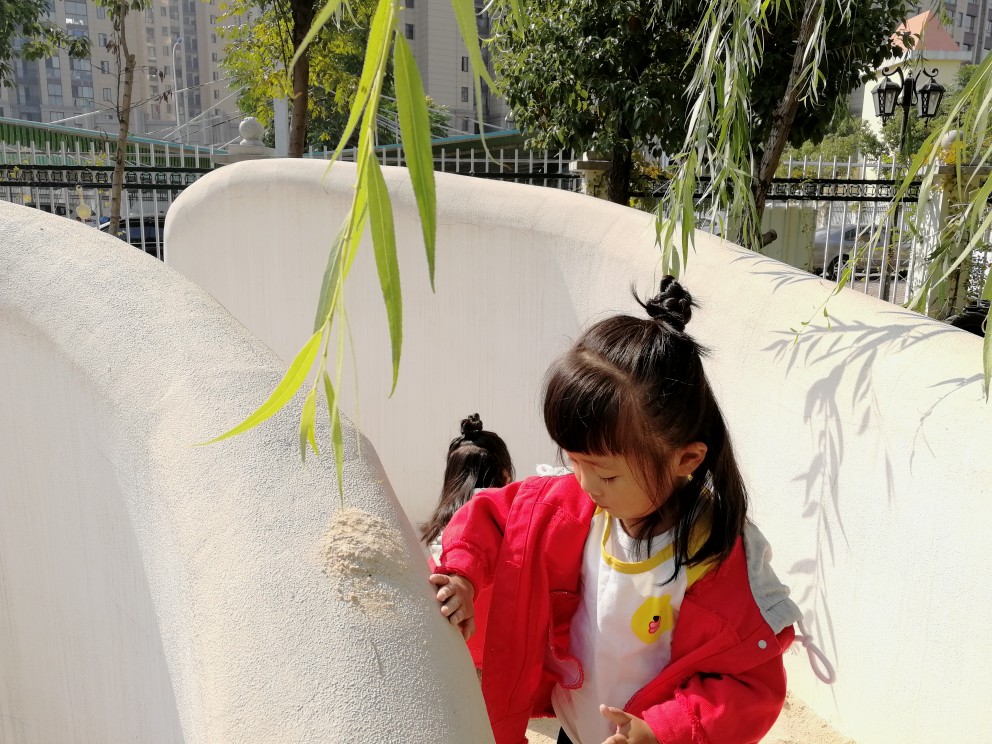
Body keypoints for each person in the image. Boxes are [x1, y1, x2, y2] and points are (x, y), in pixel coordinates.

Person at [429, 276, 801, 744]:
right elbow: (492, 518)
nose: (586, 485)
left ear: (686, 459)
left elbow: (748, 683)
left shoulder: (714, 556)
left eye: (605, 475)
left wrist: (662, 730)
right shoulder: (573, 505)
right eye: (574, 461)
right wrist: (462, 575)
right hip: (575, 728)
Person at [421, 413, 513, 669]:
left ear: (451, 480)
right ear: (505, 477)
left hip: (452, 664)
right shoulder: (512, 534)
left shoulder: (440, 541)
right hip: (499, 666)